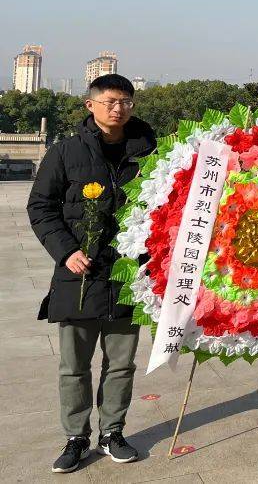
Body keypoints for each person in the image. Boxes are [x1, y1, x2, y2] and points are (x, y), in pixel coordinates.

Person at [27, 74, 156, 473]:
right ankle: (76, 437)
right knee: (74, 365)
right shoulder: (66, 152)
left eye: (127, 102)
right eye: (112, 101)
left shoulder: (151, 152)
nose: (119, 109)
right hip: (79, 275)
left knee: (121, 363)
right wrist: (65, 251)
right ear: (91, 105)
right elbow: (41, 206)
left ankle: (113, 432)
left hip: (128, 275)